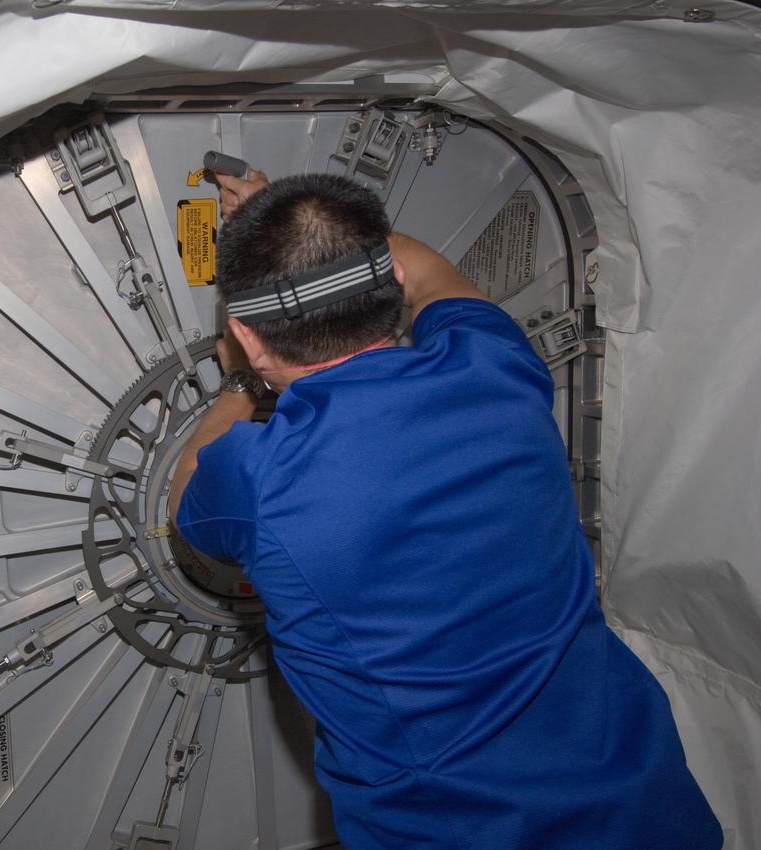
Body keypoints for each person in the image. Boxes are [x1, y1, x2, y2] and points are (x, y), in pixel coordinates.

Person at [168, 170, 722, 849]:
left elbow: (184, 494)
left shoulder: (257, 478)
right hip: (647, 810)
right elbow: (429, 272)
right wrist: (300, 225)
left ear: (248, 337)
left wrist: (238, 380)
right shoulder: (496, 366)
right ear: (390, 284)